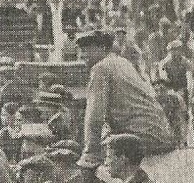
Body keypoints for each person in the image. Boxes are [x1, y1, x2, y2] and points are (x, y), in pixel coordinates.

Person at [75, 29, 177, 170]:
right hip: (162, 136)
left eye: (87, 50)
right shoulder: (122, 62)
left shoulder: (100, 68)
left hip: (142, 138)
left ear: (103, 48)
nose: (82, 55)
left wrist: (90, 154)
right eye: (81, 50)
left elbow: (94, 116)